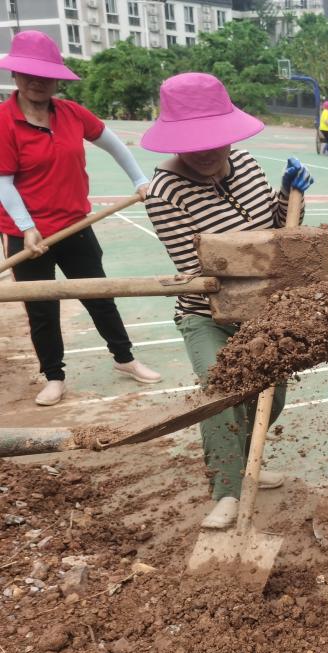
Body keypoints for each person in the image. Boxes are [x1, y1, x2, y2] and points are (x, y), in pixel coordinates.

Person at [141, 72, 313, 530]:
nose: (204, 151)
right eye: (191, 142)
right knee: (221, 390)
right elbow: (202, 272)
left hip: (263, 313)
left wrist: (288, 194)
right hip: (208, 315)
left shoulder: (247, 164)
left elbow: (277, 229)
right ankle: (227, 490)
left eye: (213, 140)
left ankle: (246, 462)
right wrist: (266, 267)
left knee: (268, 399)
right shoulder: (164, 193)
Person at [0, 30, 162, 406]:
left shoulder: (72, 114)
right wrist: (27, 228)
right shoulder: (5, 122)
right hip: (28, 235)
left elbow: (114, 143)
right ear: (15, 76)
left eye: (45, 74)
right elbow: (3, 182)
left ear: (58, 78)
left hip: (75, 226)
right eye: (28, 74)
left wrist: (140, 180)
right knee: (42, 307)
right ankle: (54, 376)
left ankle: (125, 358)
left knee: (98, 295)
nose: (37, 81)